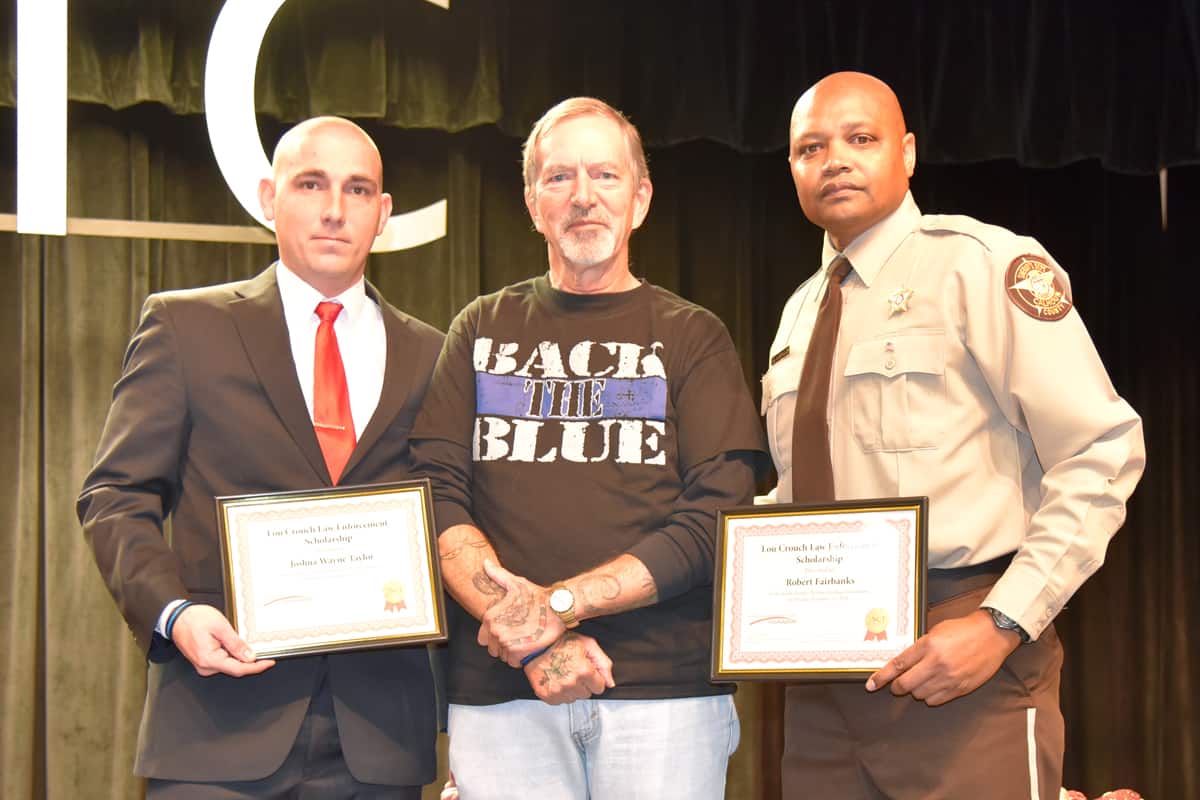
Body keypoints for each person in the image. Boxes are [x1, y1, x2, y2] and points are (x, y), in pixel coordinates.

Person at [761, 71, 1146, 798]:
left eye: (861, 138)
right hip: (821, 683)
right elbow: (799, 491)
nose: (835, 158)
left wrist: (1002, 624)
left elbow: (1100, 453)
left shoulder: (984, 264)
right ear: (791, 168)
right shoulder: (800, 312)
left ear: (907, 152)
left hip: (964, 662)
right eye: (811, 146)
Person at [410, 97, 768, 799]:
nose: (583, 197)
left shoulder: (694, 337)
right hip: (503, 693)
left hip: (664, 698)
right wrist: (533, 634)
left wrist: (562, 605)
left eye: (605, 176)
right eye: (558, 178)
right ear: (531, 201)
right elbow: (435, 494)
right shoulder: (479, 328)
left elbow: (716, 518)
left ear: (639, 199)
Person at [77, 116, 444, 798]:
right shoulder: (186, 326)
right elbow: (116, 498)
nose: (335, 209)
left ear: (383, 213)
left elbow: (454, 519)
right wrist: (175, 613)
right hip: (216, 727)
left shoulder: (435, 354)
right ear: (270, 196)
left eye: (358, 189)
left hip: (381, 741)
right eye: (312, 184)